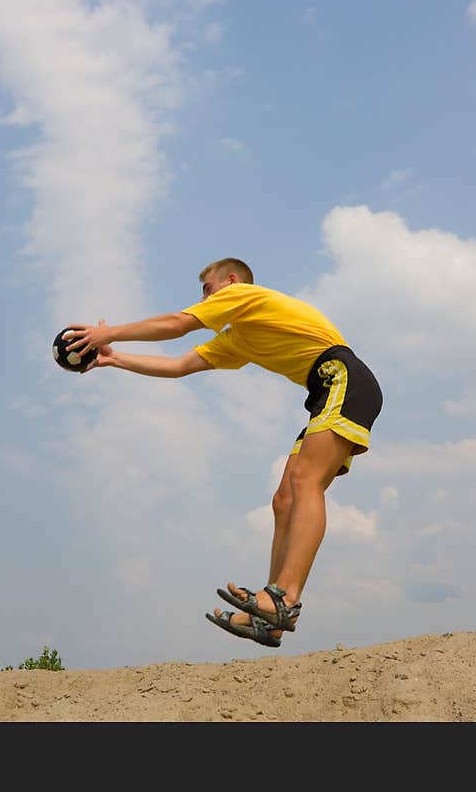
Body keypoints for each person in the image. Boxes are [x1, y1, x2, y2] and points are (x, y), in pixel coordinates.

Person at [65, 257, 382, 647]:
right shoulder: (239, 338)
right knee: (284, 499)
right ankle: (271, 617)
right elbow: (179, 365)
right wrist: (114, 358)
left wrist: (108, 332)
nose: (203, 298)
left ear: (231, 282)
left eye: (207, 288)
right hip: (324, 391)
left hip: (343, 377)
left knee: (305, 481)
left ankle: (285, 596)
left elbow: (180, 324)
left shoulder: (246, 297)